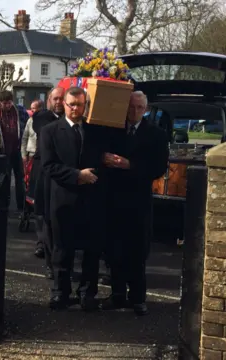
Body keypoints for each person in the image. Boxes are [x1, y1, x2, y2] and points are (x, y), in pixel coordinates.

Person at [40, 86, 111, 311]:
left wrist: (94, 173)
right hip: (63, 199)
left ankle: (87, 294)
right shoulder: (50, 131)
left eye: (79, 105)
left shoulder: (95, 132)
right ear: (63, 104)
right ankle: (60, 293)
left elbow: (102, 163)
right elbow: (48, 165)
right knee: (62, 248)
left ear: (85, 106)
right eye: (70, 104)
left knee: (92, 249)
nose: (74, 109)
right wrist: (77, 176)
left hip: (91, 199)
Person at [101, 91, 169, 316]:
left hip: (138, 199)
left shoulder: (156, 134)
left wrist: (130, 165)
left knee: (137, 251)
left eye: (140, 108)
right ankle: (117, 294)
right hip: (113, 197)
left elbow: (158, 168)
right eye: (131, 107)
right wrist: (105, 159)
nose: (135, 112)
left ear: (146, 109)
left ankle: (138, 297)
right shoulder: (112, 130)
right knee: (114, 249)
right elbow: (98, 154)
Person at [28, 88, 65, 274]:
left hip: (63, 174)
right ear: (49, 100)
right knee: (44, 217)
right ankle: (50, 260)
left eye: (62, 99)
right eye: (55, 98)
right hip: (44, 173)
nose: (59, 102)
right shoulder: (42, 117)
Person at [0, 90, 27, 212]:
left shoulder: (20, 111)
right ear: (0, 102)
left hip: (17, 150)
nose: (8, 105)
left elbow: (26, 127)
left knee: (20, 179)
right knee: (5, 180)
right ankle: (5, 207)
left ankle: (22, 206)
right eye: (5, 103)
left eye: (10, 102)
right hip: (3, 151)